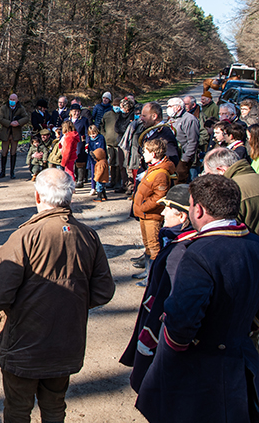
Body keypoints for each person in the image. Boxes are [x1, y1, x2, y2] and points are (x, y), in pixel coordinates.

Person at [0, 168, 115, 423]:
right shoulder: (88, 236)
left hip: (24, 343)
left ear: (37, 197)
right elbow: (103, 291)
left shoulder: (24, 237)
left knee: (18, 409)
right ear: (71, 197)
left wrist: (21, 309)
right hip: (66, 341)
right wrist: (71, 304)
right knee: (55, 406)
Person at [135, 175, 259, 423]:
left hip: (203, 371)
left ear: (198, 209)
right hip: (244, 358)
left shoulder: (198, 253)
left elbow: (181, 323)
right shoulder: (254, 242)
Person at [119, 185, 196, 392]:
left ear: (182, 216)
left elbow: (170, 297)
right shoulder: (175, 240)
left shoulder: (180, 251)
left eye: (167, 209)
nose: (162, 213)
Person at [132, 139, 175, 286]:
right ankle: (147, 272)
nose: (143, 154)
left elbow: (159, 197)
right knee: (147, 244)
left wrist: (143, 206)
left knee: (154, 246)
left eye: (145, 152)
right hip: (144, 215)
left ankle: (152, 278)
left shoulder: (161, 173)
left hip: (151, 215)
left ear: (154, 153)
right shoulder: (153, 167)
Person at [203, 147, 259, 234]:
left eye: (208, 175)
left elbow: (227, 233)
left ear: (221, 171)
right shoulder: (254, 178)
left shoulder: (229, 192)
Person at [166, 97, 200, 184]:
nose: (168, 108)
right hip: (173, 157)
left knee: (180, 183)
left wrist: (185, 159)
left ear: (178, 107)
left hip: (183, 159)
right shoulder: (171, 119)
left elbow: (193, 142)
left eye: (170, 106)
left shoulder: (189, 120)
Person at [0, 94, 29, 179]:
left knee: (13, 152)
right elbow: (0, 118)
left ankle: (12, 172)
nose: (12, 100)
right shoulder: (4, 108)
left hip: (15, 133)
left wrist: (18, 122)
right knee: (4, 152)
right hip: (5, 133)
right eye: (10, 99)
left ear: (17, 100)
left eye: (13, 99)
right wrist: (9, 123)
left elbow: (26, 118)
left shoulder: (20, 108)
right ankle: (2, 171)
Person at [137, 102, 180, 167]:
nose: (141, 119)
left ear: (154, 116)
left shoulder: (165, 134)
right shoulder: (146, 131)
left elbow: (172, 160)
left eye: (144, 116)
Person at [100, 98, 123, 191]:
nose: (116, 107)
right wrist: (104, 135)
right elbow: (101, 126)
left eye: (118, 106)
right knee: (111, 163)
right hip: (109, 142)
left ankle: (118, 182)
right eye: (115, 105)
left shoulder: (122, 116)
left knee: (118, 163)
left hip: (119, 143)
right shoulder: (107, 115)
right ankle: (112, 181)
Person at [69, 104, 90, 187]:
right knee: (71, 161)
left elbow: (86, 132)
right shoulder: (67, 120)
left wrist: (87, 143)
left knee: (80, 161)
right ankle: (72, 178)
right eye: (74, 111)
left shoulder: (83, 120)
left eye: (78, 111)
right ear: (71, 112)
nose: (76, 113)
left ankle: (80, 180)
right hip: (70, 143)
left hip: (79, 143)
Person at [86, 125, 106, 196]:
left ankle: (100, 189)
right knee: (92, 174)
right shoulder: (90, 140)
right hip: (92, 159)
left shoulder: (101, 138)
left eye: (94, 133)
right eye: (91, 134)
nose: (92, 135)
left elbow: (102, 149)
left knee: (100, 174)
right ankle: (93, 188)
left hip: (99, 159)